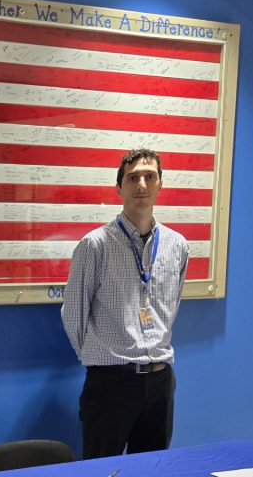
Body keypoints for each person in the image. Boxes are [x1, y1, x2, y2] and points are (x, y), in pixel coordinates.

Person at [61, 148, 189, 460]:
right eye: (132, 177)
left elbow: (172, 305)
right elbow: (73, 313)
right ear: (119, 188)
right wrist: (102, 361)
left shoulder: (178, 246)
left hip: (160, 380)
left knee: (152, 475)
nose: (141, 184)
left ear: (160, 185)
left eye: (150, 176)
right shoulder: (94, 245)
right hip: (110, 382)